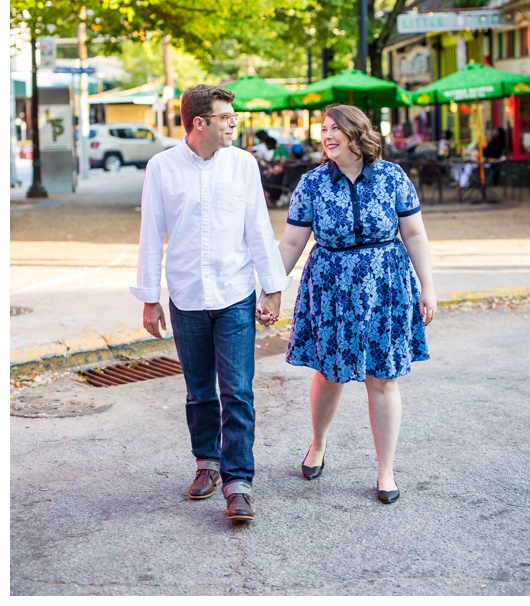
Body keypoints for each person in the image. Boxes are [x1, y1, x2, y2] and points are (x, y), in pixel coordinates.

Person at [132, 84, 290, 523]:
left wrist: (272, 287)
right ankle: (207, 463)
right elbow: (151, 236)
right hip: (186, 296)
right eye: (225, 116)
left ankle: (239, 482)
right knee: (199, 391)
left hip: (235, 295)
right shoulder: (161, 168)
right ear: (199, 122)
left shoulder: (243, 164)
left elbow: (259, 227)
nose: (234, 121)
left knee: (236, 391)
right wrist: (149, 299)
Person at [277, 104, 437, 504]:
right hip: (330, 287)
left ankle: (386, 470)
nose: (327, 136)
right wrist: (271, 288)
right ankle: (318, 443)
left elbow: (415, 234)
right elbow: (293, 242)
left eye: (336, 129)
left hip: (386, 285)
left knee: (383, 377)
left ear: (357, 133)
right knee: (329, 374)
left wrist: (428, 288)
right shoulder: (312, 183)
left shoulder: (392, 176)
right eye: (324, 130)